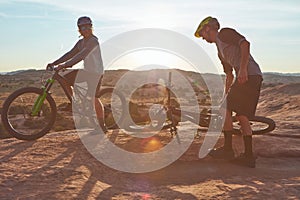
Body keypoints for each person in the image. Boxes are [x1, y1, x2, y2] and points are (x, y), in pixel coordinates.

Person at [194, 16, 263, 168]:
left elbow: (245, 44)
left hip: (249, 75)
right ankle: (248, 157)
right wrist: (226, 94)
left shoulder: (224, 33)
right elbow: (229, 74)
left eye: (202, 34)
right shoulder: (220, 51)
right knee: (241, 115)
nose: (203, 39)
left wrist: (243, 68)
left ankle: (228, 150)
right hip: (247, 78)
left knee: (227, 110)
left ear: (207, 28)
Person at [47, 16, 106, 132]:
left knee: (93, 98)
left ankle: (102, 126)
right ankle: (75, 103)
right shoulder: (80, 42)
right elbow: (70, 54)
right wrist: (55, 63)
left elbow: (82, 55)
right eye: (82, 27)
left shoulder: (93, 41)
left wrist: (65, 65)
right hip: (86, 71)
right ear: (79, 29)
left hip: (95, 73)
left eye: (87, 26)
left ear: (91, 27)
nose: (85, 29)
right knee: (63, 78)